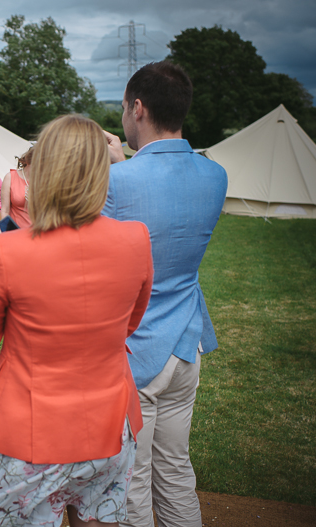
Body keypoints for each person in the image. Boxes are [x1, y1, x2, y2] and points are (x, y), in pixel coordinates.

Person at [0, 114, 153, 527]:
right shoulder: (136, 238)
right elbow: (129, 324)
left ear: (41, 173)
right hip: (111, 423)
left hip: (32, 429)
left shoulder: (8, 250)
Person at [102, 62, 228, 527]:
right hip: (187, 341)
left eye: (123, 108)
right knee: (175, 470)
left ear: (137, 108)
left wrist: (119, 168)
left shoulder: (117, 181)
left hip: (135, 347)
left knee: (131, 479)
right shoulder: (215, 175)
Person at [0, 146, 33, 228]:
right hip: (15, 230)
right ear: (28, 161)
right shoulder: (10, 177)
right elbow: (5, 211)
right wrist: (6, 230)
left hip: (38, 231)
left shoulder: (45, 181)